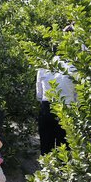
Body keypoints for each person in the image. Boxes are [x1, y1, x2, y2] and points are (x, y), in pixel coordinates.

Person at [35, 26, 78, 155]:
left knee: (46, 147)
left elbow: (39, 94)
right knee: (64, 148)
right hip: (67, 108)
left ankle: (46, 173)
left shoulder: (43, 66)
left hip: (46, 107)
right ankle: (64, 174)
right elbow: (78, 97)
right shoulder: (74, 67)